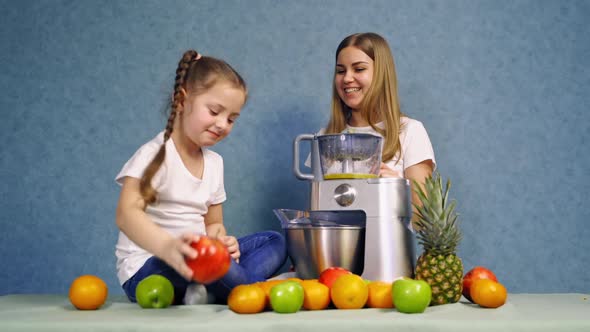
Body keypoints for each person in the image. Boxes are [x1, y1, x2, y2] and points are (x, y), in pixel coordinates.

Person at [114, 49, 287, 305]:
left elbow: (213, 225)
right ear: (182, 101)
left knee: (275, 241)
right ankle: (240, 288)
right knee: (198, 261)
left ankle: (221, 285)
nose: (223, 124)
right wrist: (168, 249)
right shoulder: (154, 154)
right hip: (151, 269)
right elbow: (126, 215)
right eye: (215, 111)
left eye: (231, 119)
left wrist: (222, 241)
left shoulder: (215, 164)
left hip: (202, 261)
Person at [315, 32, 436, 225]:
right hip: (336, 251)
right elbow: (319, 216)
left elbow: (425, 221)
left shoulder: (410, 131)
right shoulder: (325, 138)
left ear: (381, 73)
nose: (347, 78)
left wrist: (397, 189)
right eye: (340, 71)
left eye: (359, 69)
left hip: (389, 251)